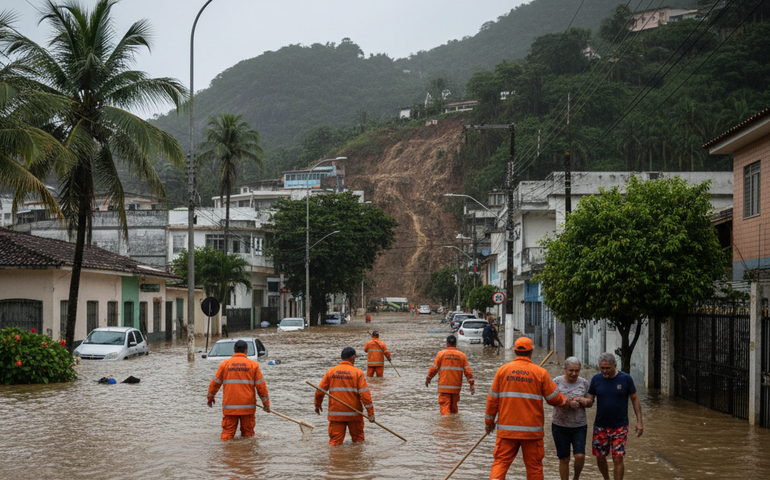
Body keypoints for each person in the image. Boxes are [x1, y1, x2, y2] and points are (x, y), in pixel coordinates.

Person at [485, 337, 568, 480]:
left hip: (507, 431)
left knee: (500, 463)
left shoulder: (502, 371)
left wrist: (489, 423)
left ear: (515, 351)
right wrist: (565, 402)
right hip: (531, 432)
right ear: (531, 352)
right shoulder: (539, 372)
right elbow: (553, 399)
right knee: (534, 467)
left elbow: (492, 400)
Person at [585, 353, 643, 480]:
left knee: (618, 458)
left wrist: (639, 422)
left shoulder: (626, 379)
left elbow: (634, 399)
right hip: (600, 425)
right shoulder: (596, 379)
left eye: (607, 368)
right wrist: (582, 400)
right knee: (600, 457)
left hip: (620, 426)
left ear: (614, 366)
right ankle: (606, 478)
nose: (604, 371)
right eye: (602, 368)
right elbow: (590, 398)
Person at [207, 339, 271, 441]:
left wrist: (210, 397)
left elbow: (215, 383)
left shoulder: (224, 364)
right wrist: (266, 404)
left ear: (234, 349)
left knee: (227, 436)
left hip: (230, 407)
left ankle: (227, 455)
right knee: (248, 437)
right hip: (248, 408)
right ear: (246, 351)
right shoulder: (253, 365)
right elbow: (261, 387)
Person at [314, 347, 375, 446]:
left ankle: (335, 460)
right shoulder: (358, 373)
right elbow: (365, 395)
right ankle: (358, 460)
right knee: (359, 442)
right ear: (353, 357)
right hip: (354, 414)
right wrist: (370, 413)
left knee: (335, 443)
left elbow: (320, 391)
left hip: (336, 414)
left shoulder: (331, 372)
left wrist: (317, 405)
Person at [552, 357, 591, 480]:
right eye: (571, 370)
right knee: (564, 458)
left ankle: (576, 478)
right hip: (560, 425)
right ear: (565, 369)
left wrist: (583, 400)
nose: (574, 374)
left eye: (577, 371)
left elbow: (590, 402)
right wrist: (568, 402)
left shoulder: (584, 383)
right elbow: (550, 400)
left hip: (579, 426)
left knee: (580, 456)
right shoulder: (556, 382)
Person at [425, 335, 475, 414]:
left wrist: (428, 378)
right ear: (455, 344)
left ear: (447, 343)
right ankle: (454, 425)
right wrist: (471, 384)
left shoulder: (441, 354)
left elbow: (433, 368)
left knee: (445, 410)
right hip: (456, 388)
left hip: (444, 387)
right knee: (453, 410)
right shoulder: (462, 356)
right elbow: (468, 371)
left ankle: (446, 425)